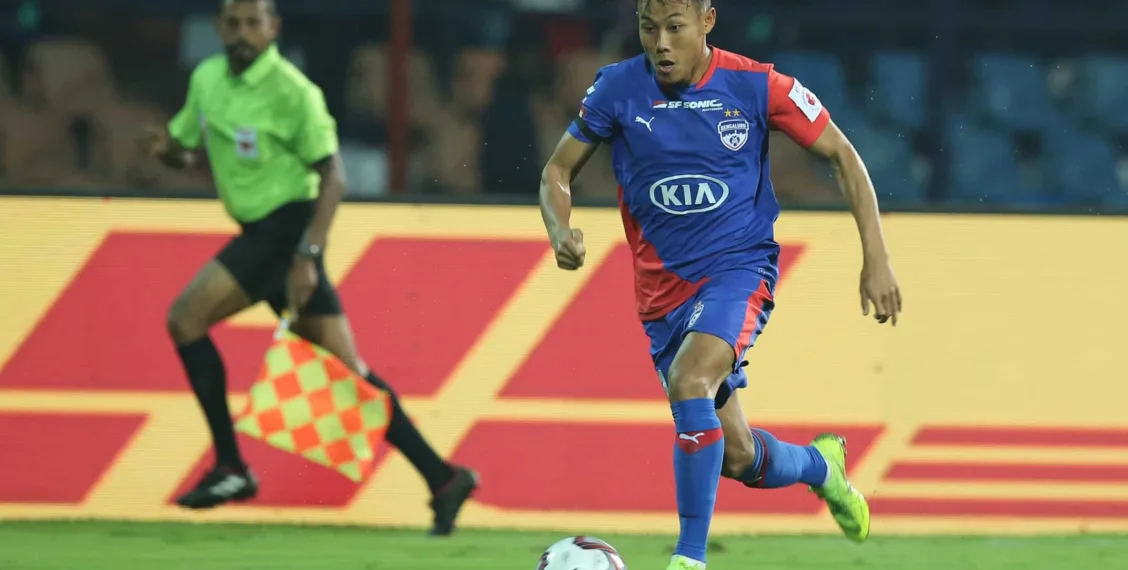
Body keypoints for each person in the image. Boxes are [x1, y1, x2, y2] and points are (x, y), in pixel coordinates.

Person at [537, 0, 902, 568]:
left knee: (691, 379)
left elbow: (844, 156)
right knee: (736, 457)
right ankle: (820, 467)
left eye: (674, 28)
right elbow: (558, 170)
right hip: (662, 298)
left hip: (739, 271)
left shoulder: (758, 85)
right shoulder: (616, 90)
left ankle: (689, 558)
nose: (660, 44)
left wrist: (875, 256)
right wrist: (560, 227)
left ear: (707, 21)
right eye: (648, 28)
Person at [143, 0, 477, 536]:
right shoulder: (207, 78)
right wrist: (168, 153)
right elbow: (188, 150)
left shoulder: (294, 93)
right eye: (232, 23)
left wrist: (308, 254)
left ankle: (231, 466)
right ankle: (443, 477)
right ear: (218, 28)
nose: (242, 32)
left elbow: (335, 177)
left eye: (253, 22)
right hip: (262, 235)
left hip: (287, 230)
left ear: (274, 28)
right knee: (349, 372)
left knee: (185, 318)